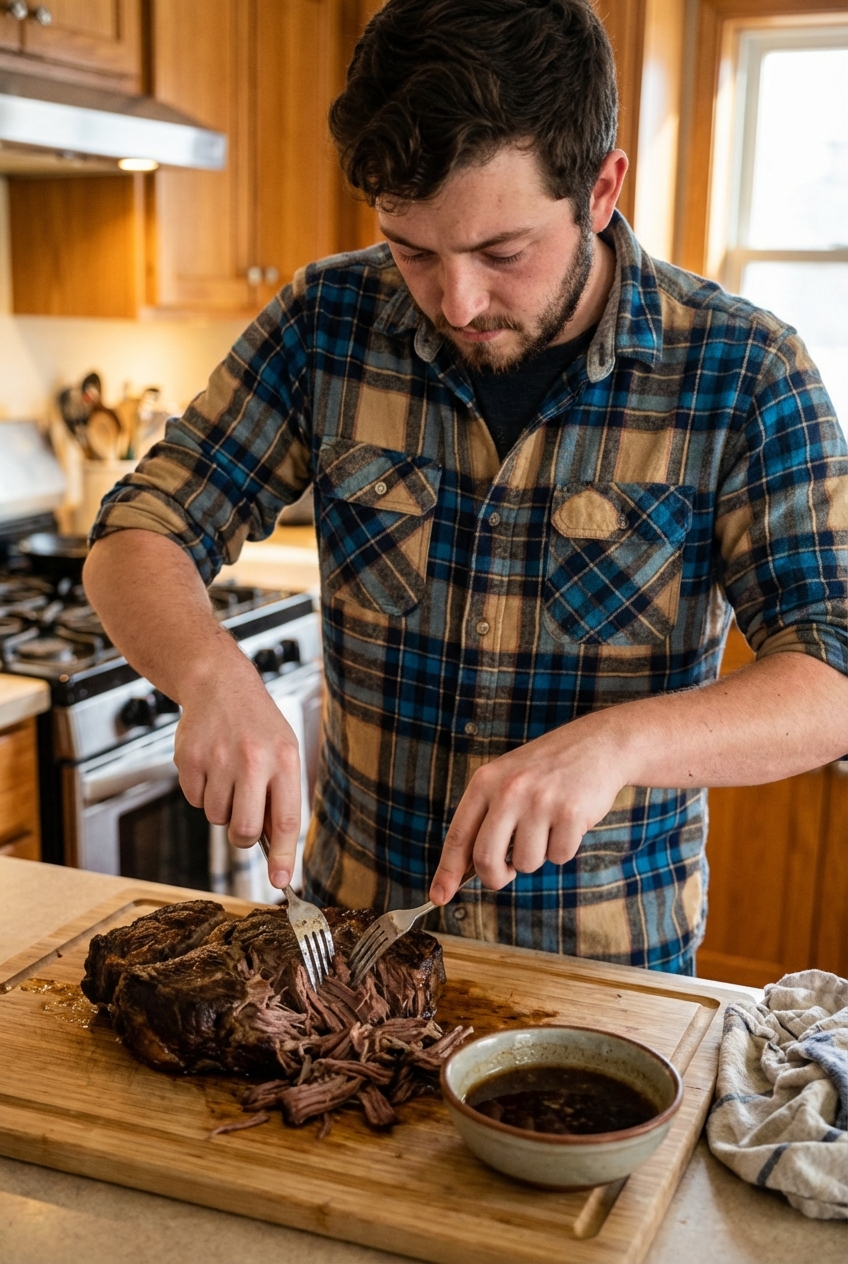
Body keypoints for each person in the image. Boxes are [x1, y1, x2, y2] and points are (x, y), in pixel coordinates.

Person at [83, 0, 848, 975]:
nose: (457, 303)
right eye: (411, 249)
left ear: (600, 187)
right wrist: (210, 676)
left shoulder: (741, 370)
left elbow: (829, 665)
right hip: (356, 949)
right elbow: (139, 529)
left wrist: (617, 743)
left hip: (605, 970)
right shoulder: (328, 319)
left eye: (502, 252)